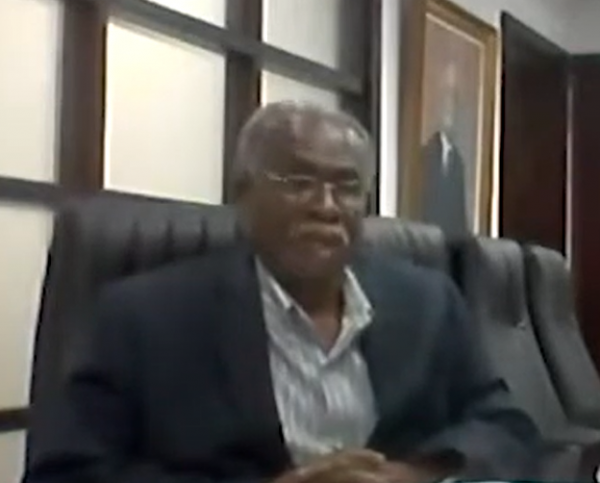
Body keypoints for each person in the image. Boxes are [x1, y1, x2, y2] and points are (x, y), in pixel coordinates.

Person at [23, 101, 540, 483]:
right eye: (298, 182)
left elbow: (505, 426)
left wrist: (416, 474)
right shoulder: (143, 318)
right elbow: (66, 475)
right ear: (243, 193)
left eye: (347, 187)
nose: (326, 206)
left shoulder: (427, 302)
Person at [421, 64, 469, 237]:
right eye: (446, 99)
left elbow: (460, 219)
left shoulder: (458, 162)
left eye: (454, 101)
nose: (450, 108)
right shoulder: (424, 155)